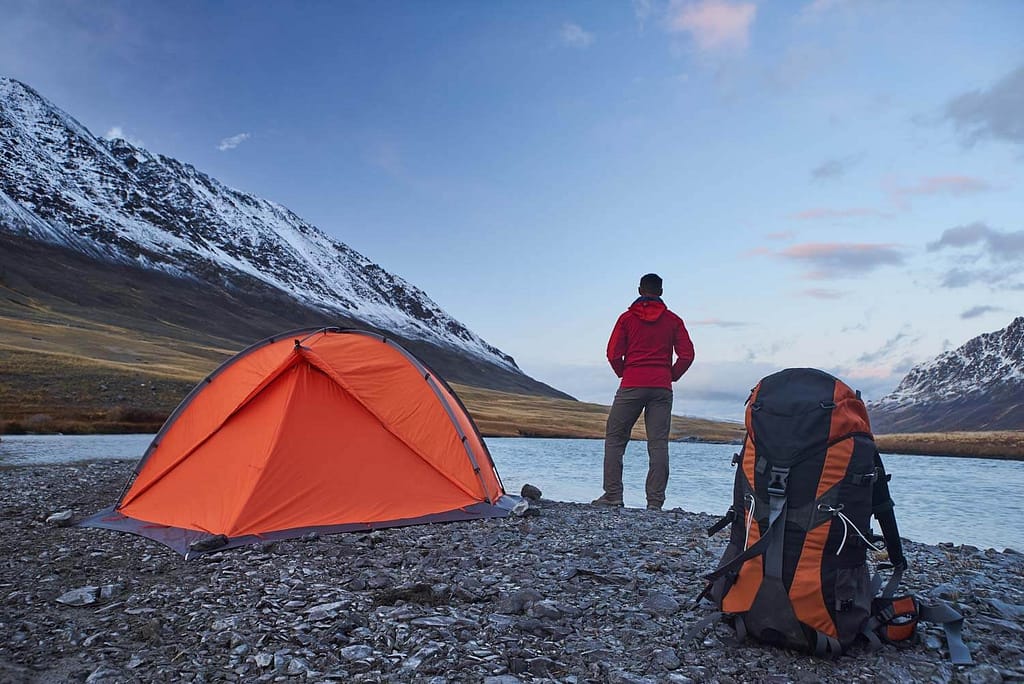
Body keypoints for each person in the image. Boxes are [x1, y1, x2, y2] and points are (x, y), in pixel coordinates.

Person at [592, 273, 695, 511]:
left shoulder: (626, 319)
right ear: (661, 291)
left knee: (615, 440)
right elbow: (687, 355)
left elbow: (613, 354)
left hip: (632, 384)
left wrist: (624, 373)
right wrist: (672, 375)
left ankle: (613, 495)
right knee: (658, 444)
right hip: (661, 386)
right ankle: (655, 502)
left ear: (640, 290)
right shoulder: (673, 320)